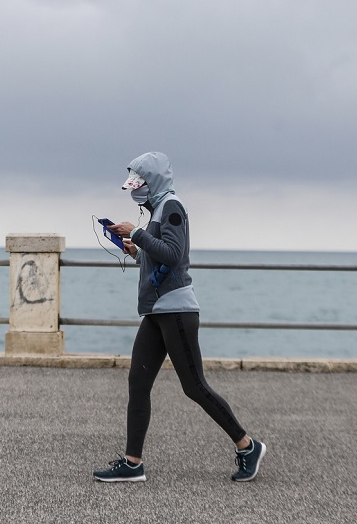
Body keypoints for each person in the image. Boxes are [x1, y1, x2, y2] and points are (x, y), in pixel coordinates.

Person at [92, 151, 266, 483]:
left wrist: (138, 233)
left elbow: (174, 255)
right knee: (138, 383)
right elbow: (160, 256)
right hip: (157, 312)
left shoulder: (171, 206)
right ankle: (133, 464)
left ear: (152, 181)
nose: (134, 191)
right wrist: (135, 249)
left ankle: (248, 446)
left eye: (138, 184)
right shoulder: (158, 208)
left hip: (177, 310)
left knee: (195, 386)